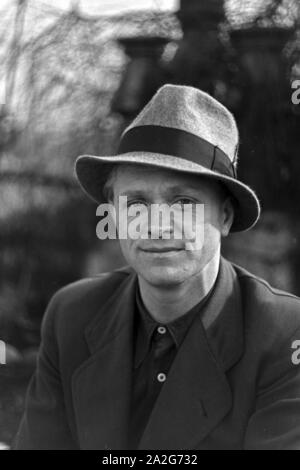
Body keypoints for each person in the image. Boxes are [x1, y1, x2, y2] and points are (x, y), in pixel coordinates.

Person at [14, 84, 300, 450]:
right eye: (136, 203)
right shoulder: (72, 314)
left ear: (225, 216)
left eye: (183, 202)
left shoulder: (283, 334)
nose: (157, 223)